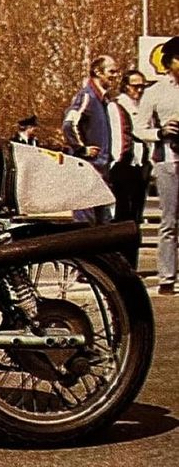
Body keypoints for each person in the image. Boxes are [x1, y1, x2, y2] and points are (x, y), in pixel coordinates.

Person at [134, 37, 179, 296]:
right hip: (168, 160)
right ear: (169, 62)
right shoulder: (155, 92)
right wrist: (161, 132)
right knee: (169, 221)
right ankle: (166, 278)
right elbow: (139, 128)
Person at [62, 55, 120, 225]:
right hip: (88, 168)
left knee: (103, 221)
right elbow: (69, 124)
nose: (115, 76)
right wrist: (81, 149)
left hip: (101, 168)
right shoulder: (87, 96)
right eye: (111, 71)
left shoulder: (103, 100)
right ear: (97, 72)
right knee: (86, 220)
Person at [109, 69, 152, 268]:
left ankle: (130, 264)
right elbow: (120, 136)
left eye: (143, 86)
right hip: (123, 165)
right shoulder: (118, 105)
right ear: (126, 86)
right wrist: (118, 161)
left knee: (135, 218)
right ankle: (120, 263)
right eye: (136, 86)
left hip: (140, 165)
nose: (140, 90)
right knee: (122, 218)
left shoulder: (144, 107)